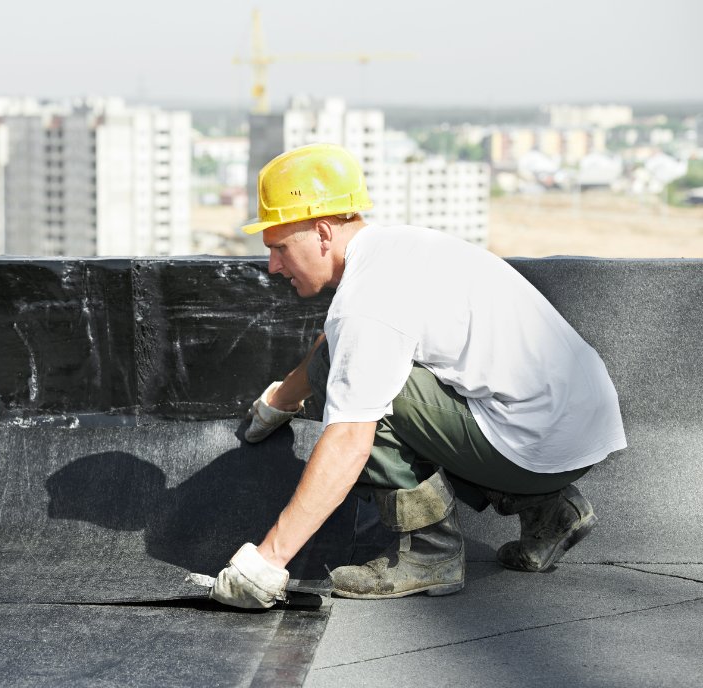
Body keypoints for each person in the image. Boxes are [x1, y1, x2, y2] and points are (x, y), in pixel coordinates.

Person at [208, 144, 626, 608]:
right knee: (354, 365)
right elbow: (343, 344)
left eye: (280, 248)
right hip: (575, 428)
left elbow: (349, 439)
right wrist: (280, 401)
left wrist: (267, 562)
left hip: (537, 445)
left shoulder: (367, 298)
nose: (273, 266)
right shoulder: (398, 247)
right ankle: (549, 510)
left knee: (359, 393)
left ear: (323, 232)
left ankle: (431, 553)